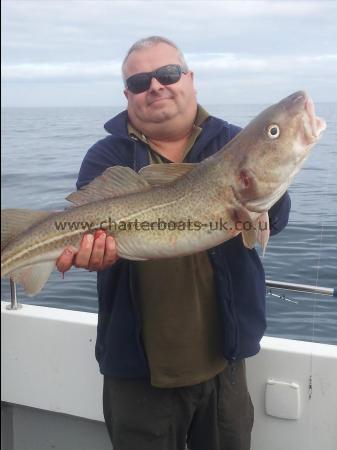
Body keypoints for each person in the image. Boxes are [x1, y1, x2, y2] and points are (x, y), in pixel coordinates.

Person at [56, 36, 291, 450]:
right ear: (127, 94)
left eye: (167, 74)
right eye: (140, 81)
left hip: (225, 362)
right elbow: (88, 240)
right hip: (137, 373)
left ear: (190, 79)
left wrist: (263, 200)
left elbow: (279, 216)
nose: (156, 86)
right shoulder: (107, 156)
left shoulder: (231, 142)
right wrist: (91, 254)